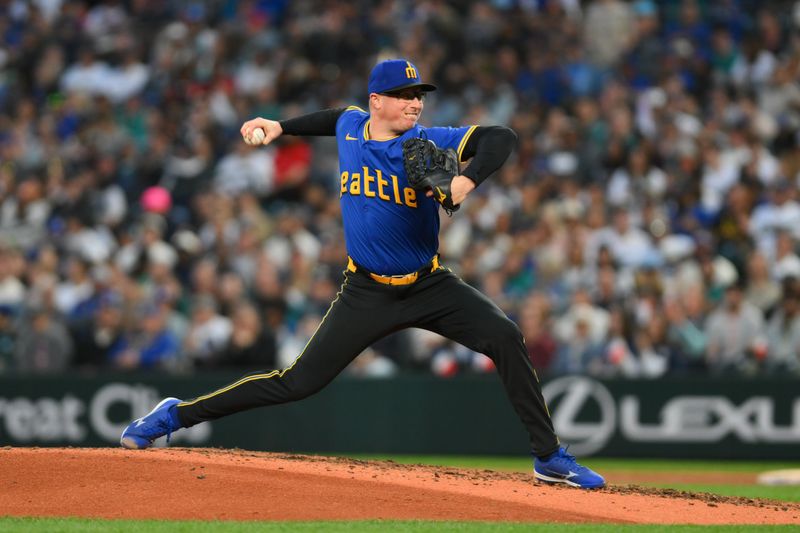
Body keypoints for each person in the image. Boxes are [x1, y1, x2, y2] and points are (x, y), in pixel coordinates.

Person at [119, 59, 605, 489]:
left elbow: (502, 137)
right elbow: (333, 118)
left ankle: (548, 457)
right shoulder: (352, 127)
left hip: (429, 284)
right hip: (366, 290)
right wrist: (280, 126)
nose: (415, 103)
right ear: (377, 101)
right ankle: (174, 415)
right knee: (296, 383)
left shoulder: (427, 142)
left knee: (504, 335)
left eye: (419, 96)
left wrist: (465, 179)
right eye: (404, 96)